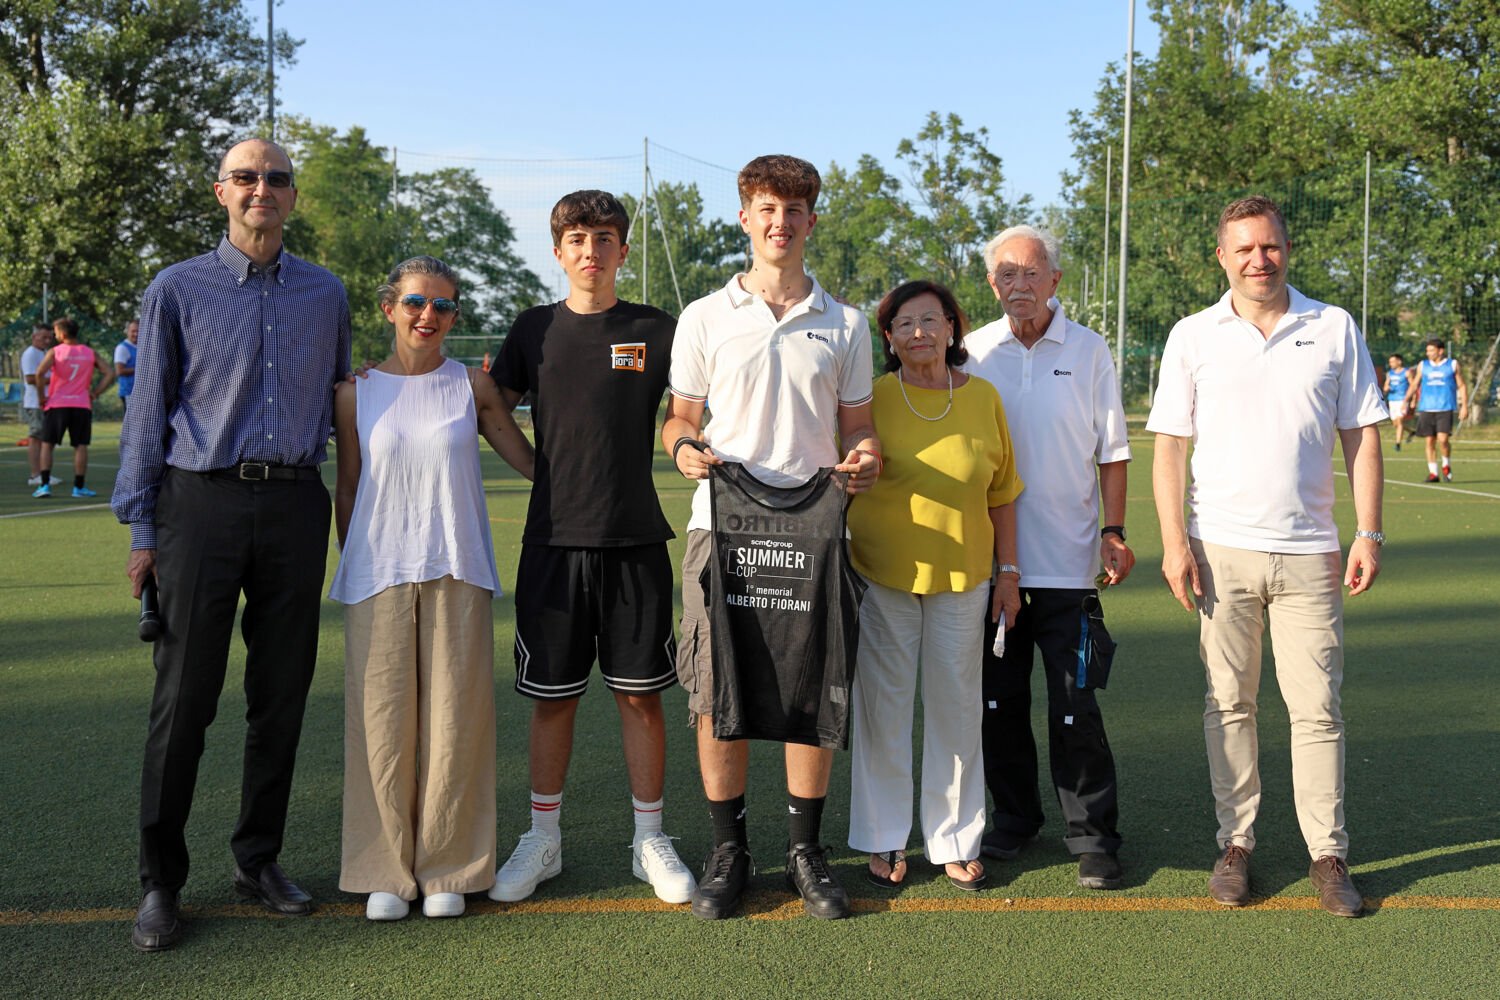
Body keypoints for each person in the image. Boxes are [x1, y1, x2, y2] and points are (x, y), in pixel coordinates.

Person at [112, 138, 352, 951]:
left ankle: (258, 858)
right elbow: (148, 412)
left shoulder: (327, 293)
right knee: (184, 699)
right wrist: (142, 526)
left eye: (276, 179)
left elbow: (344, 409)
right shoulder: (176, 287)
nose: (262, 190)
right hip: (198, 503)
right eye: (247, 177)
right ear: (221, 190)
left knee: (280, 696)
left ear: (293, 195)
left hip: (293, 505)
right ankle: (160, 882)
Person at [1148, 195, 1386, 918]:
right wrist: (1174, 543)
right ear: (1221, 257)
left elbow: (1363, 435)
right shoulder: (1193, 335)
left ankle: (1328, 854)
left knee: (1317, 709)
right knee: (1229, 704)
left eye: (1271, 245)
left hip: (1312, 554)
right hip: (1220, 551)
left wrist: (1369, 531)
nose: (1260, 259)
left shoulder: (1335, 326)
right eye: (1244, 248)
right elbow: (1170, 448)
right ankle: (1237, 846)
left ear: (1288, 247)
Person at [663, 154, 881, 920]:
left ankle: (805, 851)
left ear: (811, 220)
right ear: (745, 218)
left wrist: (866, 459)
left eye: (793, 210)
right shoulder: (704, 316)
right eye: (765, 208)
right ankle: (730, 850)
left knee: (808, 684)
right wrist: (685, 449)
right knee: (716, 688)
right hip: (720, 529)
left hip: (813, 535)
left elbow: (859, 428)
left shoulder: (846, 322)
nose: (779, 222)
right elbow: (680, 418)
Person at [486, 190, 696, 906]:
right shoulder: (533, 329)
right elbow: (490, 402)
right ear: (558, 251)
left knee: (641, 698)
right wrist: (533, 467)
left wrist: (690, 439)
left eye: (604, 239)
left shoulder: (655, 329)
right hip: (551, 543)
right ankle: (544, 837)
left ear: (622, 251)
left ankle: (649, 839)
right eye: (576, 239)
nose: (590, 251)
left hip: (635, 540)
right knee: (554, 700)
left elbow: (690, 407)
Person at [331, 255, 534, 921]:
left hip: (457, 566)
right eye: (416, 302)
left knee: (457, 722)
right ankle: (382, 869)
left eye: (443, 306)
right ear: (389, 307)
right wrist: (353, 558)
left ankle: (450, 866)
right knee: (380, 726)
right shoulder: (354, 392)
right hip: (377, 573)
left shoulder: (470, 389)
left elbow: (535, 463)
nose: (429, 316)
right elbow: (350, 485)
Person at [963, 225, 1134, 891]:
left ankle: (1093, 834)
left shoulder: (1089, 350)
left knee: (1075, 706)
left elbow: (1112, 453)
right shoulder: (973, 351)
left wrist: (1112, 531)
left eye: (1033, 273)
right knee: (999, 703)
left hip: (1068, 564)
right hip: (991, 566)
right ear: (991, 285)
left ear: (1056, 281)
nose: (1020, 286)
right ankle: (1015, 817)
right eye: (1007, 274)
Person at [846, 280, 1022, 893]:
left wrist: (1009, 574)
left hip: (966, 579)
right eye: (904, 324)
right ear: (888, 338)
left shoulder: (985, 399)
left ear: (953, 327)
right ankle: (884, 836)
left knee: (956, 709)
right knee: (882, 710)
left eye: (931, 319)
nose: (919, 332)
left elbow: (1002, 494)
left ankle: (955, 840)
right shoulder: (869, 397)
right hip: (880, 575)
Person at [33, 315, 114, 498]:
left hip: (57, 404)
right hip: (81, 405)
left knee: (48, 445)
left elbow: (39, 374)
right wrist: (95, 393)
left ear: (61, 333)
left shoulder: (55, 352)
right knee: (80, 446)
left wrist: (41, 397)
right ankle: (79, 487)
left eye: (55, 332)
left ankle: (44, 486)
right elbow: (109, 373)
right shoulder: (89, 352)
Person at [1405, 338, 1468, 482]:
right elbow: (1415, 384)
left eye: (1431, 350)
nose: (1428, 353)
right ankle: (1433, 473)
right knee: (1429, 441)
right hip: (1426, 408)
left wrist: (1464, 406)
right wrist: (1405, 401)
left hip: (1445, 407)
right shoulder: (1423, 365)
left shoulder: (1452, 364)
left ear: (1440, 351)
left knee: (1443, 440)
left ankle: (1446, 465)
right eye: (1427, 350)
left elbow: (1462, 386)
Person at [21, 323, 54, 488]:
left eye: (49, 337)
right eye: (43, 337)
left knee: (44, 439)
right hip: (35, 402)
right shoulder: (30, 354)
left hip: (45, 401)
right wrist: (56, 381)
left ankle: (44, 473)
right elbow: (31, 379)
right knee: (35, 438)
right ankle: (35, 475)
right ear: (34, 337)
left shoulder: (44, 353)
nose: (47, 340)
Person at [1380, 354, 1411, 452]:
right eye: (1390, 362)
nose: (1391, 364)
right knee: (1395, 423)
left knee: (1400, 421)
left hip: (1403, 399)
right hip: (1392, 400)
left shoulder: (1407, 372)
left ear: (1399, 361)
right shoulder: (1390, 373)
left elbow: (1412, 385)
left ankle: (1398, 444)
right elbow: (1385, 387)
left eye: (1392, 361)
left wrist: (1412, 399)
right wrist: (1386, 388)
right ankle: (1411, 432)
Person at [115, 319, 140, 416]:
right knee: (131, 422)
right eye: (133, 331)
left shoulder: (141, 347)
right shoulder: (122, 348)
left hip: (140, 392)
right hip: (129, 392)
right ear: (127, 332)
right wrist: (142, 370)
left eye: (138, 331)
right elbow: (119, 371)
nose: (136, 334)